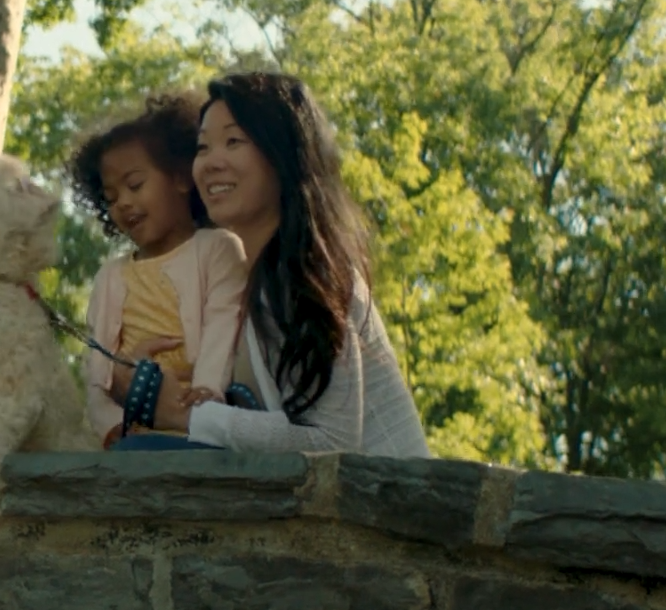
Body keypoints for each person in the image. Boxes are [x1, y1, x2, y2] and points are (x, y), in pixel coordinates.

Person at [118, 72, 430, 457]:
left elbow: (331, 441)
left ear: (282, 154)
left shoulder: (303, 276)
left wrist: (189, 417)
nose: (211, 163)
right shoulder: (253, 280)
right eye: (203, 148)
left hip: (385, 495)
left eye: (233, 142)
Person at [68, 93, 246, 446]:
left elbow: (224, 325)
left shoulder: (218, 248)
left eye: (135, 185)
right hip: (134, 435)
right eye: (111, 197)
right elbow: (98, 372)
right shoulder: (111, 276)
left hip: (205, 428)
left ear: (181, 177)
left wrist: (206, 395)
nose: (123, 203)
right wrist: (112, 426)